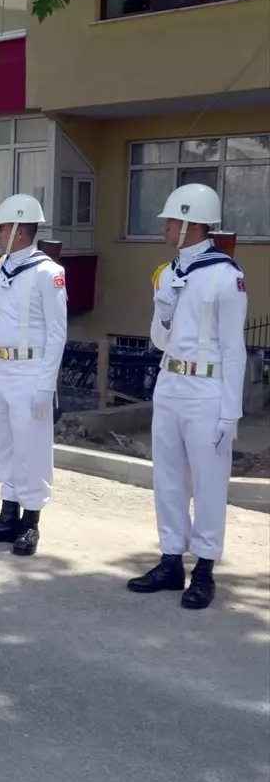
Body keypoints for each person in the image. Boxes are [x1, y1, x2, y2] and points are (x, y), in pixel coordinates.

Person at [127, 184, 247, 610]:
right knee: (169, 478)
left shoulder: (225, 275)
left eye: (171, 220)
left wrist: (230, 412)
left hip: (207, 389)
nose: (164, 225)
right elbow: (160, 342)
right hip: (171, 383)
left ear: (192, 223)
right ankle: (171, 559)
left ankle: (205, 568)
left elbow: (235, 349)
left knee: (209, 484)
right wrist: (163, 309)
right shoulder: (171, 271)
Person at [0, 194, 67, 557]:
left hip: (29, 371)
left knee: (32, 448)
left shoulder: (48, 272)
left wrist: (47, 384)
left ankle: (31, 522)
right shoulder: (5, 265)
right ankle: (8, 514)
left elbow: (57, 332)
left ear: (21, 231)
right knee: (3, 444)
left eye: (3, 227)